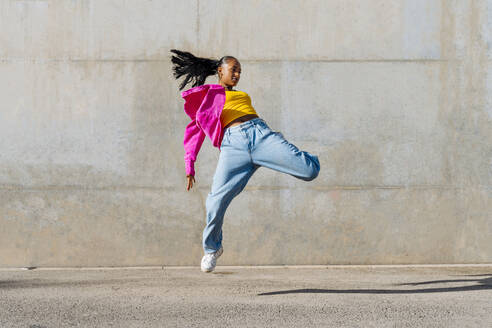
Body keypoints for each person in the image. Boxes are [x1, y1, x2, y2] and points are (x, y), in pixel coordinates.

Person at [170, 49, 320, 272]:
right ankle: (212, 249)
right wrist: (189, 164)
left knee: (310, 171)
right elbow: (195, 131)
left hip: (260, 135)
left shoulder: (241, 95)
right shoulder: (207, 97)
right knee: (215, 201)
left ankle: (289, 148)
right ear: (220, 71)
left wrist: (273, 139)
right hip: (233, 146)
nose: (238, 74)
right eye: (234, 69)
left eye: (240, 71)